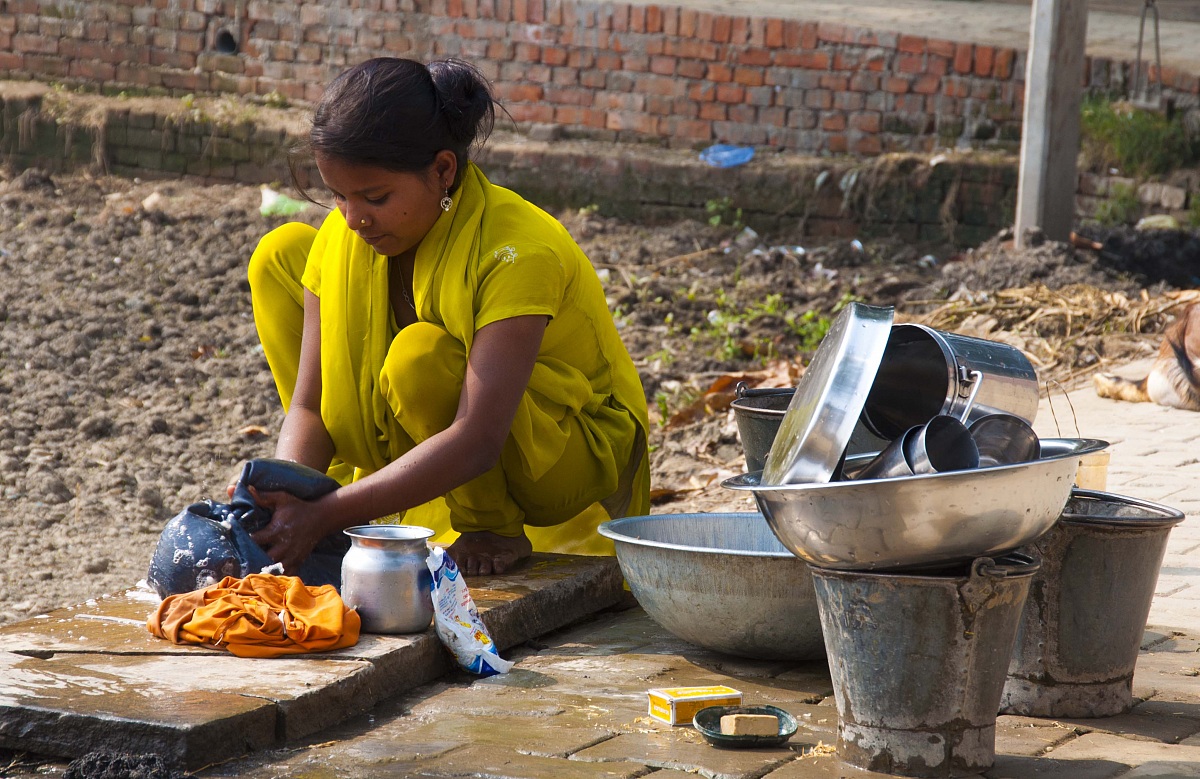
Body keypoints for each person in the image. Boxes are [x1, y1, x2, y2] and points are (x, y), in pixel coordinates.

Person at [243, 57, 650, 577]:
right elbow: (309, 406)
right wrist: (284, 497)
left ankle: (490, 524)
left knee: (420, 357)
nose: (354, 218)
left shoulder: (517, 252)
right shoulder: (345, 237)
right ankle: (344, 497)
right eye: (338, 195)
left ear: (442, 171)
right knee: (278, 252)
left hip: (560, 460)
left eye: (375, 197)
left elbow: (478, 437)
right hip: (435, 443)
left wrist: (326, 516)